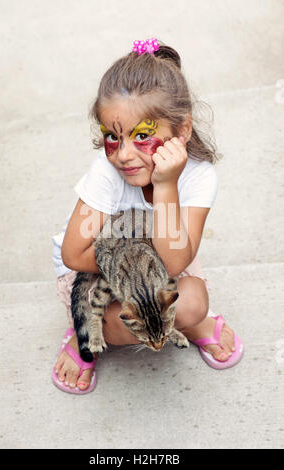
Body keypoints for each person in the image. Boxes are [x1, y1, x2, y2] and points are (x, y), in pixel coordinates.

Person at [51, 39, 243, 394]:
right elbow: (75, 254)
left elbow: (171, 263)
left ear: (181, 130)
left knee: (193, 305)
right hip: (96, 274)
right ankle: (83, 335)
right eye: (113, 136)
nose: (124, 155)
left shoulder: (199, 176)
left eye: (142, 137)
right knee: (105, 323)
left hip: (163, 263)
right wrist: (133, 265)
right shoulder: (107, 173)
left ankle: (184, 323)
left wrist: (166, 184)